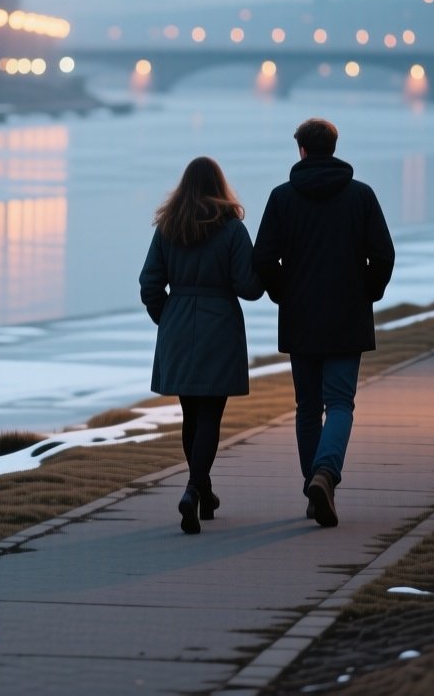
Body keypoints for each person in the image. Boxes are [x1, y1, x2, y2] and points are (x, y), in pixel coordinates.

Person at [252, 118, 395, 528]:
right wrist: (367, 292)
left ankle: (314, 486)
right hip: (348, 316)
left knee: (308, 407)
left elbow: (263, 259)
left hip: (300, 317)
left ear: (301, 150)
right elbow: (383, 255)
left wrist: (282, 292)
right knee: (340, 403)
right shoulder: (361, 196)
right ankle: (325, 474)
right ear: (333, 147)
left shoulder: (282, 198)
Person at [140, 156, 263, 535]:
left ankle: (203, 493)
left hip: (177, 325)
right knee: (209, 415)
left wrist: (167, 318)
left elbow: (149, 284)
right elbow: (250, 287)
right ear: (219, 186)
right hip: (219, 327)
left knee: (190, 414)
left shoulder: (168, 227)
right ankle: (194, 490)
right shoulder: (232, 229)